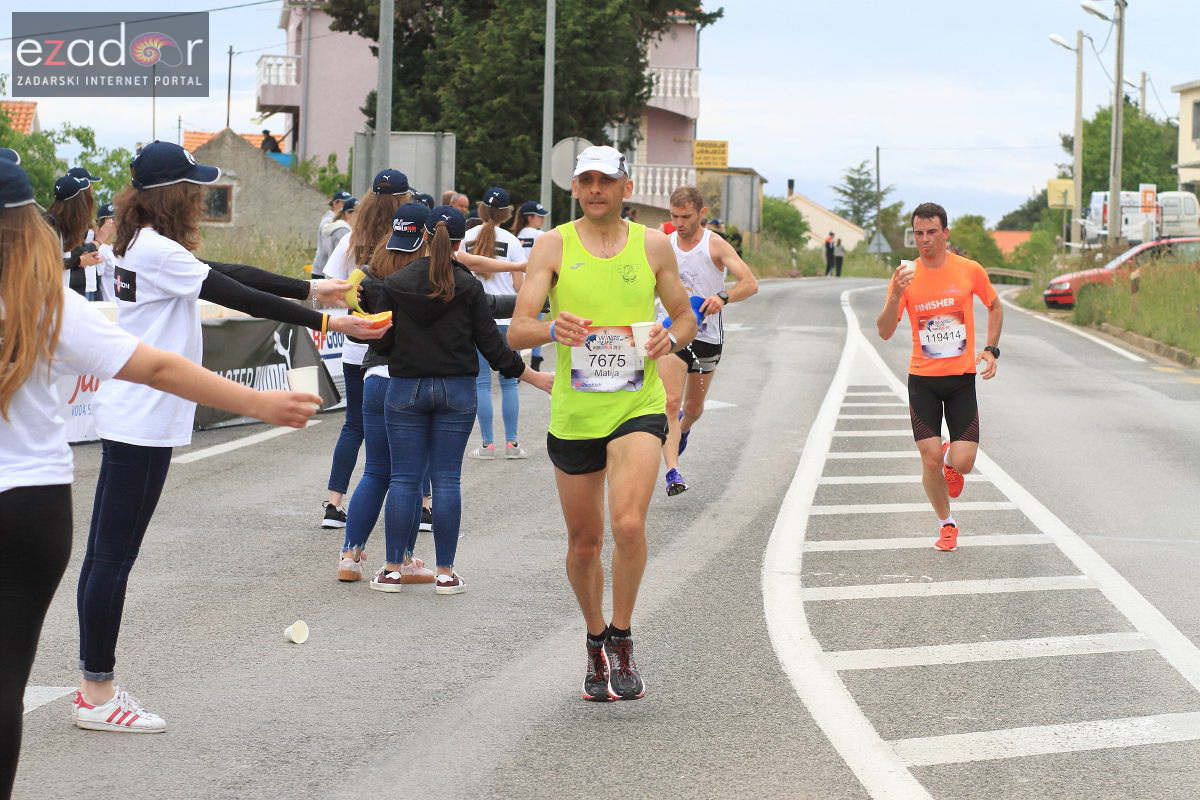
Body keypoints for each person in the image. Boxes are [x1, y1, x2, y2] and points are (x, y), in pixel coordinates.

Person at [0, 158, 319, 798]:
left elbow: (221, 290)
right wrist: (263, 403)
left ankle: (98, 685)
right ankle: (97, 688)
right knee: (10, 676)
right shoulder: (45, 295)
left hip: (69, 471)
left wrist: (312, 302)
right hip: (31, 500)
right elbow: (158, 366)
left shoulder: (112, 259)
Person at [74, 141, 388, 734]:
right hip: (142, 416)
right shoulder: (158, 249)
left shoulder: (136, 241)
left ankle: (94, 684)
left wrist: (316, 287)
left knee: (106, 556)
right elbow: (233, 293)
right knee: (112, 558)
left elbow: (227, 276)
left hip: (135, 412)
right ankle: (96, 692)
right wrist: (325, 318)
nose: (200, 195)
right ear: (174, 195)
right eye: (193, 187)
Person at [508, 145, 696, 701]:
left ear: (624, 186)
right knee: (585, 543)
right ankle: (594, 642)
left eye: (605, 181)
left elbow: (683, 315)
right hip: (575, 411)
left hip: (636, 404)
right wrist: (550, 330)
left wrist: (673, 337)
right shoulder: (552, 243)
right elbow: (518, 329)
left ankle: (623, 634)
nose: (595, 189)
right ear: (575, 187)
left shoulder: (653, 245)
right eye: (585, 180)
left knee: (630, 523)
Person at [368, 205, 553, 594]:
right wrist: (533, 376)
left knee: (403, 479)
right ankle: (446, 574)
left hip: (405, 389)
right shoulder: (469, 287)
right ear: (458, 243)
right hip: (457, 390)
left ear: (421, 237)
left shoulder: (396, 283)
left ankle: (390, 571)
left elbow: (381, 340)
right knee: (447, 480)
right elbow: (494, 347)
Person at [875, 202, 1003, 552]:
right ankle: (946, 524)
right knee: (927, 458)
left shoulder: (969, 270)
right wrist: (896, 295)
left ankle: (951, 460)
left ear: (945, 233)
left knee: (963, 462)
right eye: (919, 233)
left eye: (932, 232)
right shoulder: (906, 275)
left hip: (961, 379)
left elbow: (994, 306)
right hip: (923, 380)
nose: (925, 240)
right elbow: (885, 331)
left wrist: (991, 349)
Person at [319, 170, 413, 529]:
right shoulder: (405, 241)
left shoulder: (352, 240)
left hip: (356, 345)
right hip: (398, 350)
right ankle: (420, 505)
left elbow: (330, 287)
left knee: (354, 426)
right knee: (412, 428)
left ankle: (334, 503)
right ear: (404, 200)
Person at [659, 187, 758, 496]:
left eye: (686, 216)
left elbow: (750, 283)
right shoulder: (664, 244)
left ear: (701, 213)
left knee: (693, 407)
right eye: (674, 216)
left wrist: (722, 296)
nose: (679, 223)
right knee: (671, 403)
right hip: (672, 333)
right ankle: (672, 472)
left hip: (706, 338)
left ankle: (684, 429)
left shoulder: (714, 245)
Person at [461, 187, 528, 459]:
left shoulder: (464, 239)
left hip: (473, 321)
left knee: (480, 383)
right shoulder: (512, 241)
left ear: (480, 209)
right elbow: (518, 285)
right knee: (510, 382)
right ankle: (512, 444)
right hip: (506, 320)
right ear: (508, 213)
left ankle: (487, 445)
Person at [46, 174, 100, 297]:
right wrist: (80, 260)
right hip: (47, 298)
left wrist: (84, 258)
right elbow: (47, 263)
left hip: (61, 296)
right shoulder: (49, 223)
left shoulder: (62, 223)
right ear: (76, 201)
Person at [512, 200, 549, 371]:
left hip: (518, 284)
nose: (542, 219)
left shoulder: (516, 235)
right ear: (530, 217)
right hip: (537, 284)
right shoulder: (541, 236)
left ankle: (517, 363)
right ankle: (536, 359)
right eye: (540, 216)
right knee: (537, 325)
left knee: (520, 325)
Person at [313, 190, 352, 278]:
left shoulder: (336, 221)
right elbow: (328, 246)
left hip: (325, 268)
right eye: (344, 202)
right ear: (335, 203)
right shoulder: (329, 221)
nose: (346, 205)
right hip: (323, 269)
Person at [93, 202, 118, 303]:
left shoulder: (113, 248)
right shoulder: (101, 249)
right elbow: (97, 284)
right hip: (108, 307)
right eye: (112, 222)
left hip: (119, 307)